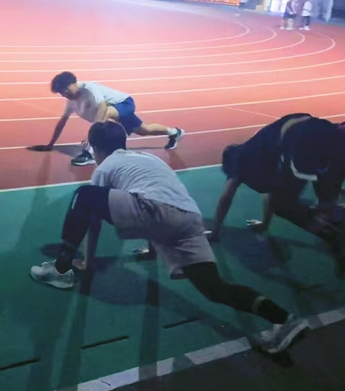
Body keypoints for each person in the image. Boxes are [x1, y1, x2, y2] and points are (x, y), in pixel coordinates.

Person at [30, 121, 308, 355]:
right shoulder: (148, 159)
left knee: (83, 195)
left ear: (95, 147)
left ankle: (60, 270)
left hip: (156, 211)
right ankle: (284, 319)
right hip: (189, 218)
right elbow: (158, 196)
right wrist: (152, 249)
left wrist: (87, 261)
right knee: (215, 288)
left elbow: (92, 218)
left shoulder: (106, 167)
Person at [211, 114, 345, 275]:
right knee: (319, 190)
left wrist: (215, 231)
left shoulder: (236, 159)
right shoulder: (258, 154)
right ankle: (332, 223)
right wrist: (264, 224)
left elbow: (227, 195)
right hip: (316, 131)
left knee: (283, 205)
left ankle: (331, 232)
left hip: (300, 138)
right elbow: (268, 193)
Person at [38, 72, 185, 166]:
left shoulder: (89, 88)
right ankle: (174, 132)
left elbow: (102, 107)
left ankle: (90, 153)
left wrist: (92, 136)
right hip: (112, 110)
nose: (64, 94)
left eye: (66, 89)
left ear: (74, 83)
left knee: (106, 112)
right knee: (143, 130)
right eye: (61, 93)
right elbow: (62, 122)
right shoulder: (71, 102)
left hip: (124, 103)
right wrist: (51, 144)